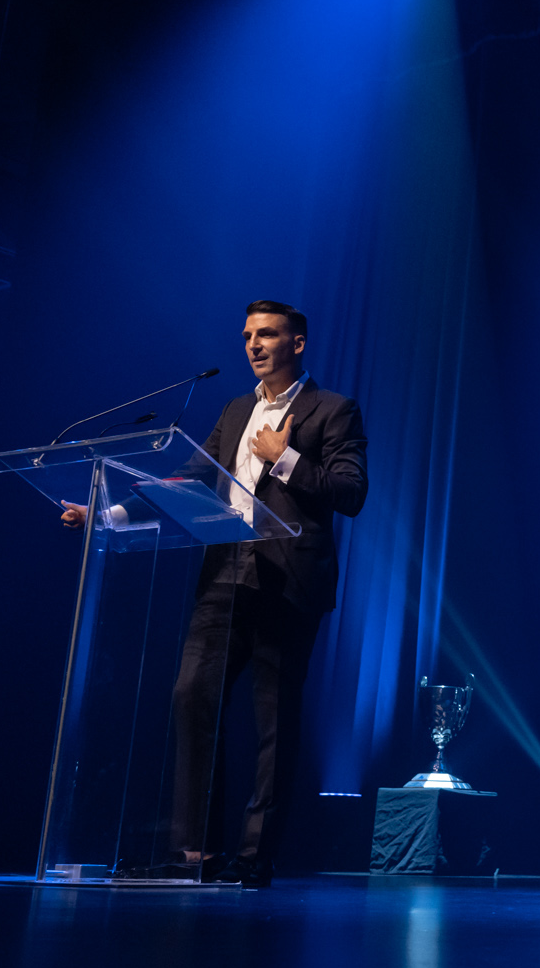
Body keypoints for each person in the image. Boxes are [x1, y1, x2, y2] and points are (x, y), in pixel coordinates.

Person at [63, 300, 367, 885]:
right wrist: (107, 513)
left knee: (273, 719)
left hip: (286, 583)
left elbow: (351, 492)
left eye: (268, 335)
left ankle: (254, 856)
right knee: (191, 697)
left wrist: (285, 459)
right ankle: (194, 854)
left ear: (297, 343)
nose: (254, 345)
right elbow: (192, 479)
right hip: (224, 574)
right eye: (248, 335)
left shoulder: (333, 409)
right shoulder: (235, 410)